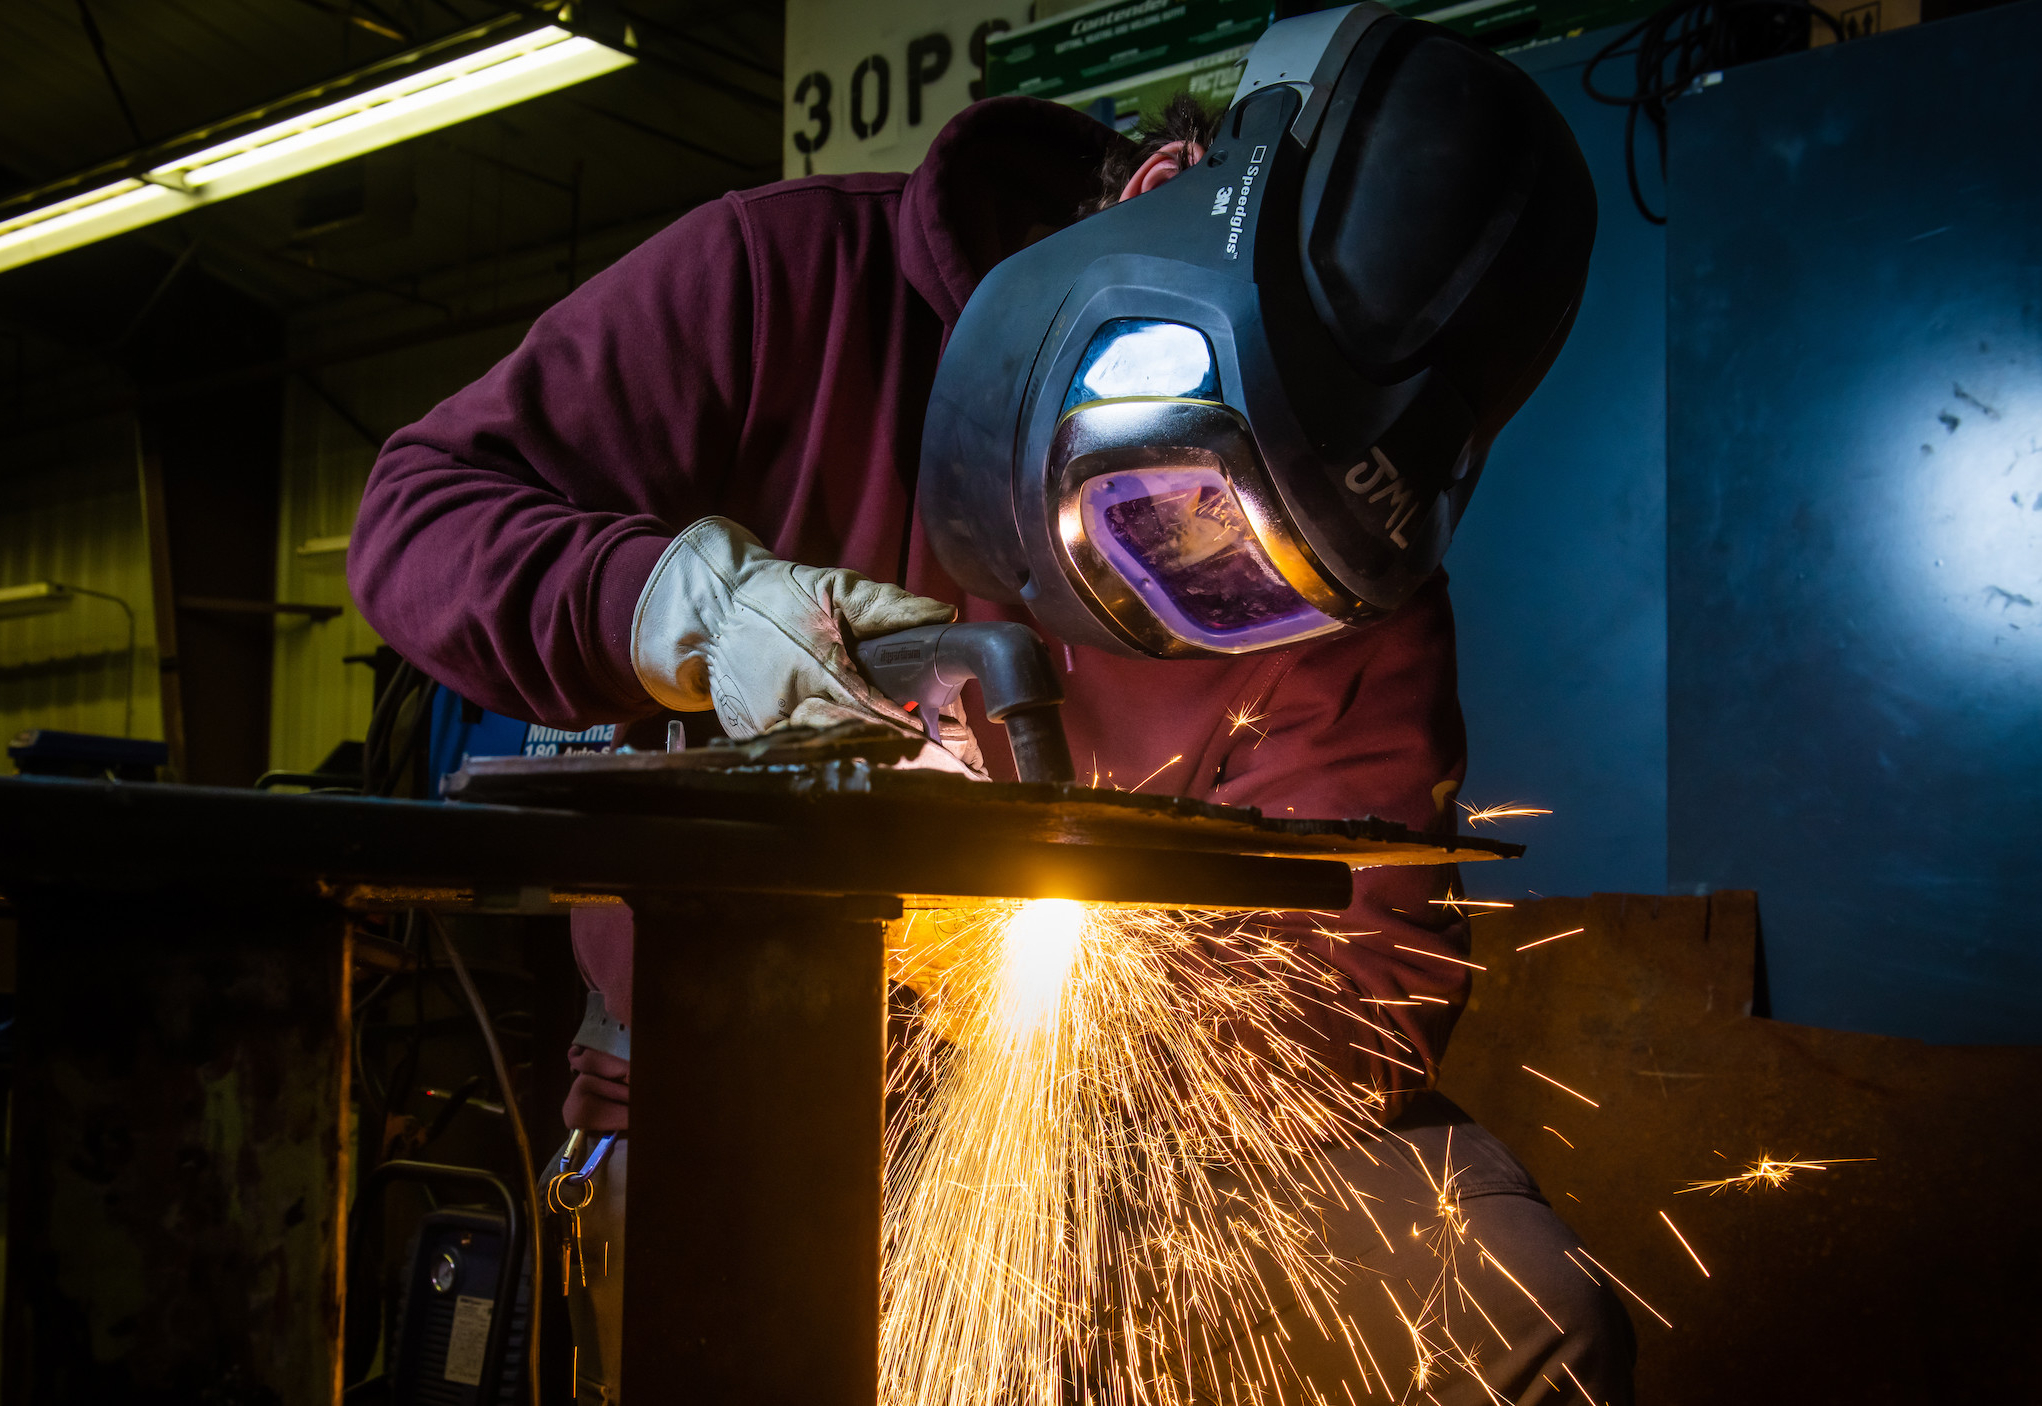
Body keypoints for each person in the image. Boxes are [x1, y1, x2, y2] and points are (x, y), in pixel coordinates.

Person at [351, 10, 1629, 1402]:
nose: (1174, 588)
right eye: (1183, 496)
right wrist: (691, 613)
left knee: (1521, 1316)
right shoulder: (785, 283)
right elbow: (418, 520)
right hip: (726, 1089)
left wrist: (1042, 999)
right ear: (1158, 200)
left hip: (1138, 1136)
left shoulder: (1349, 571)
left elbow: (1370, 962)